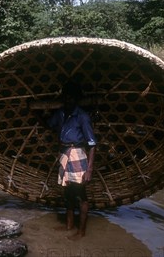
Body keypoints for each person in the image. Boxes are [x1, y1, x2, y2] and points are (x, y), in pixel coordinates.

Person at [46, 81, 96, 240]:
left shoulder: (82, 116)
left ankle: (81, 232)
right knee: (67, 192)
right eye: (66, 97)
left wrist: (89, 169)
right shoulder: (60, 114)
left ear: (76, 99)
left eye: (72, 98)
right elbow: (49, 125)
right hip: (64, 154)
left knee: (81, 195)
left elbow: (92, 144)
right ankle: (69, 225)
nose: (68, 100)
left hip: (77, 155)